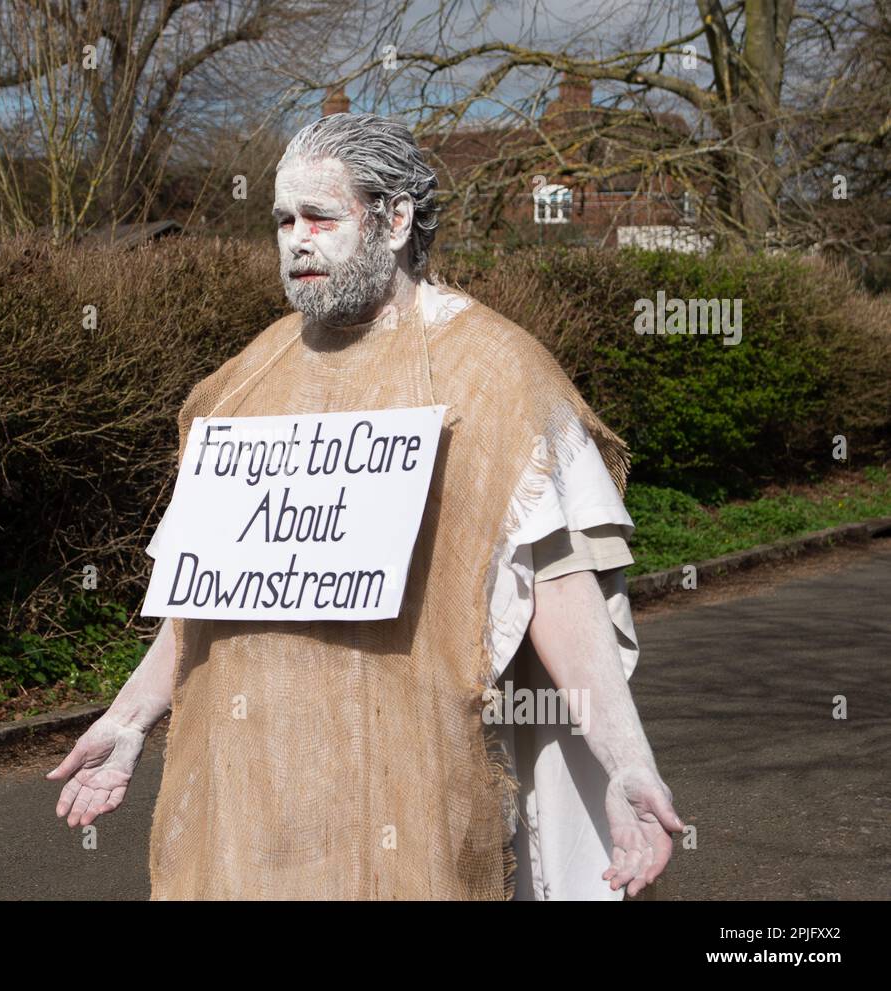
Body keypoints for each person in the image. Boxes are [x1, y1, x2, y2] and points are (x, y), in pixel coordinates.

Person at [47, 112, 683, 900]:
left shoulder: (494, 376)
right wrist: (127, 719)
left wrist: (626, 760)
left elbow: (551, 580)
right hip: (251, 807)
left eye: (320, 216)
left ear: (395, 219)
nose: (296, 240)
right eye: (283, 220)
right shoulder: (245, 382)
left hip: (410, 798)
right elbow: (213, 590)